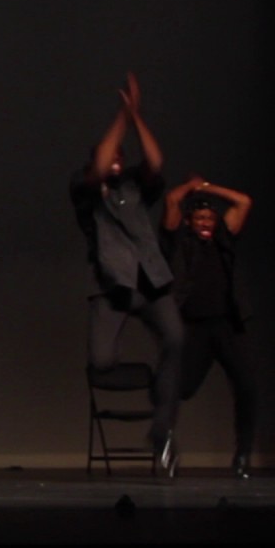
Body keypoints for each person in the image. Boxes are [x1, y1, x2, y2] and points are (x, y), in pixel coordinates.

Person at [70, 72, 184, 476]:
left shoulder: (136, 186)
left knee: (176, 338)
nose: (117, 159)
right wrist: (122, 113)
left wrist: (137, 117)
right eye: (111, 156)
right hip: (111, 287)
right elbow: (100, 162)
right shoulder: (84, 193)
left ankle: (161, 430)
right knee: (101, 362)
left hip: (151, 281)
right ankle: (156, 396)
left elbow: (156, 162)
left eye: (121, 155)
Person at [161, 175, 255, 478]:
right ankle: (168, 443)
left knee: (247, 387)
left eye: (210, 217)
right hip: (194, 329)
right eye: (200, 217)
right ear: (190, 221)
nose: (205, 222)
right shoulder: (179, 241)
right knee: (181, 388)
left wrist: (207, 188)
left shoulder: (224, 238)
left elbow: (243, 202)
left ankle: (242, 455)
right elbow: (172, 201)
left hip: (227, 326)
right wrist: (190, 187)